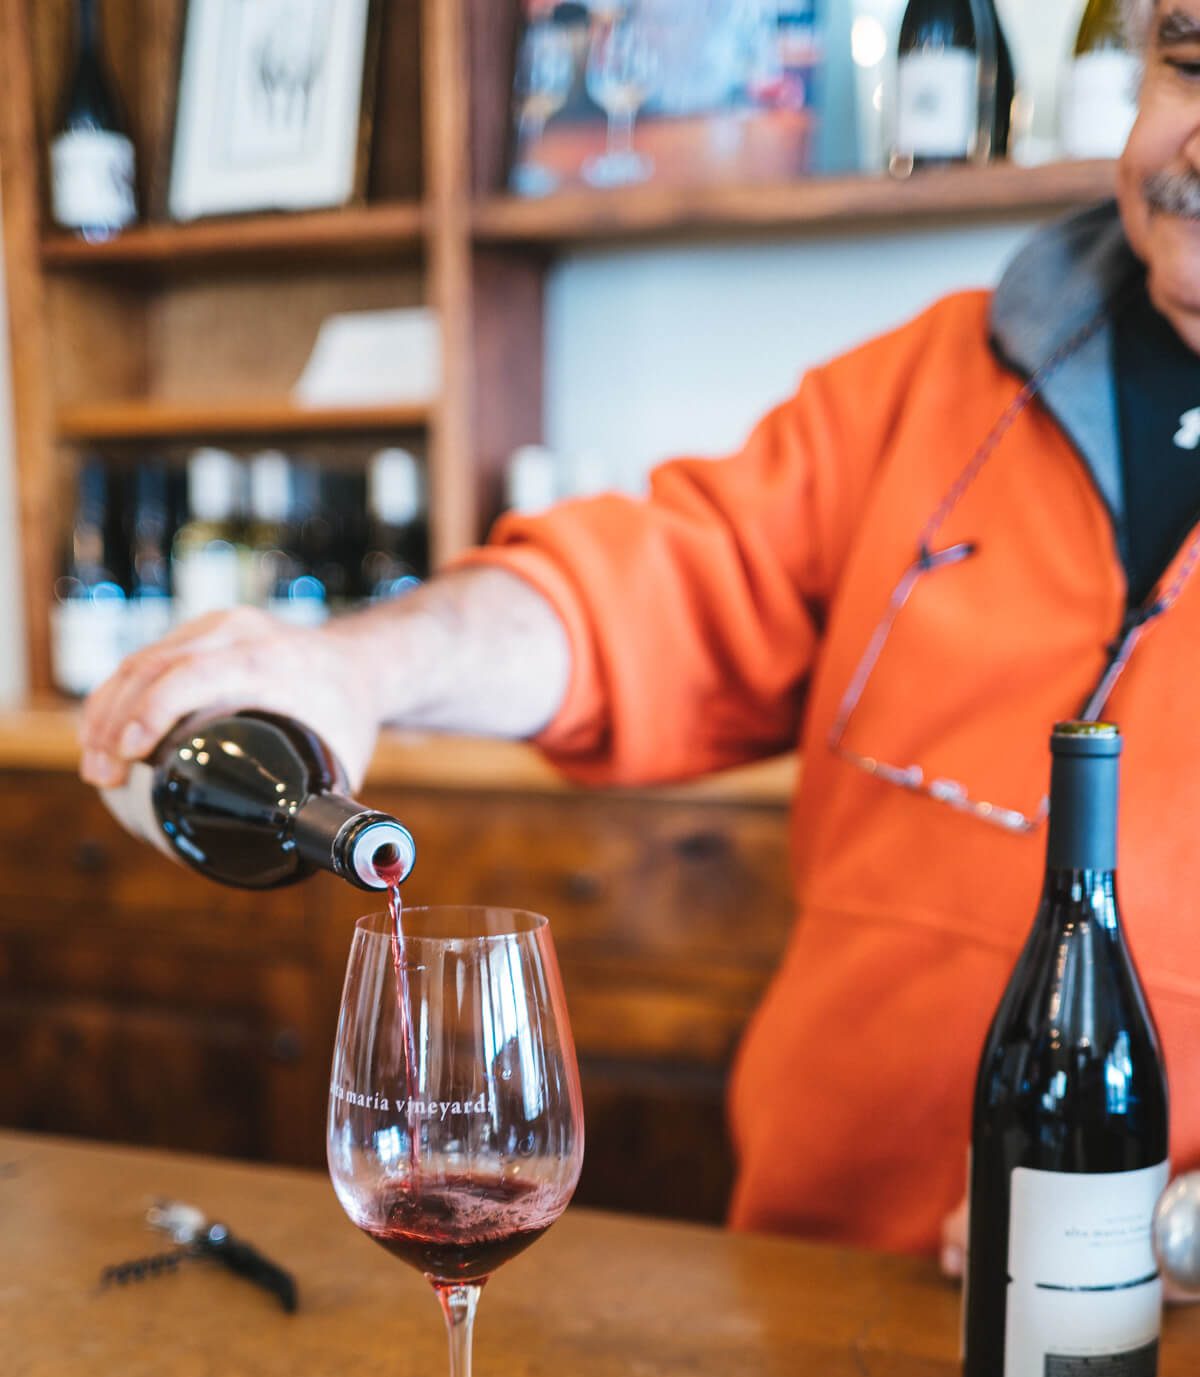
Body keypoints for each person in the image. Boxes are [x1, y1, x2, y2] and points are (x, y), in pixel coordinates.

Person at [80, 0, 1200, 1273]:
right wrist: (354, 663)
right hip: (813, 1282)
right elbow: (648, 588)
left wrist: (1163, 1233)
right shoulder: (934, 382)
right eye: (1188, 61)